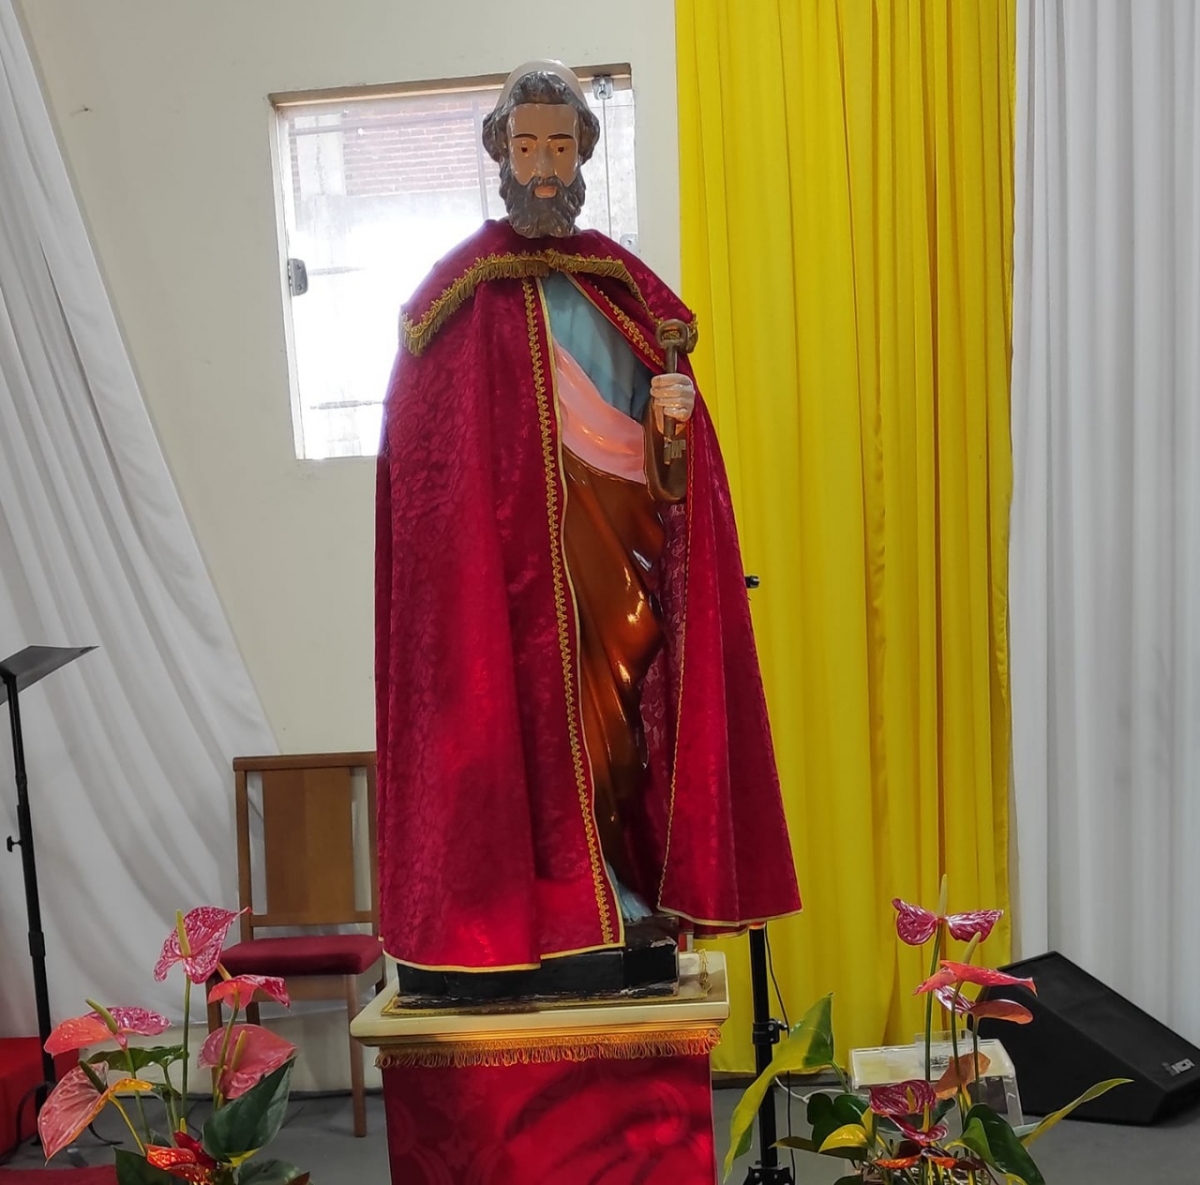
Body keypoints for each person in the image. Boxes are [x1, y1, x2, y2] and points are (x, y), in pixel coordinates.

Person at [375, 60, 800, 972]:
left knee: (621, 730)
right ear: (500, 152)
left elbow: (673, 473)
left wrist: (672, 423)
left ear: (583, 157)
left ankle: (619, 887)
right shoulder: (455, 300)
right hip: (505, 580)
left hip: (616, 554)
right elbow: (426, 472)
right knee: (517, 736)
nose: (543, 167)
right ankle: (537, 905)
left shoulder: (623, 291)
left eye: (560, 148)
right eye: (527, 145)